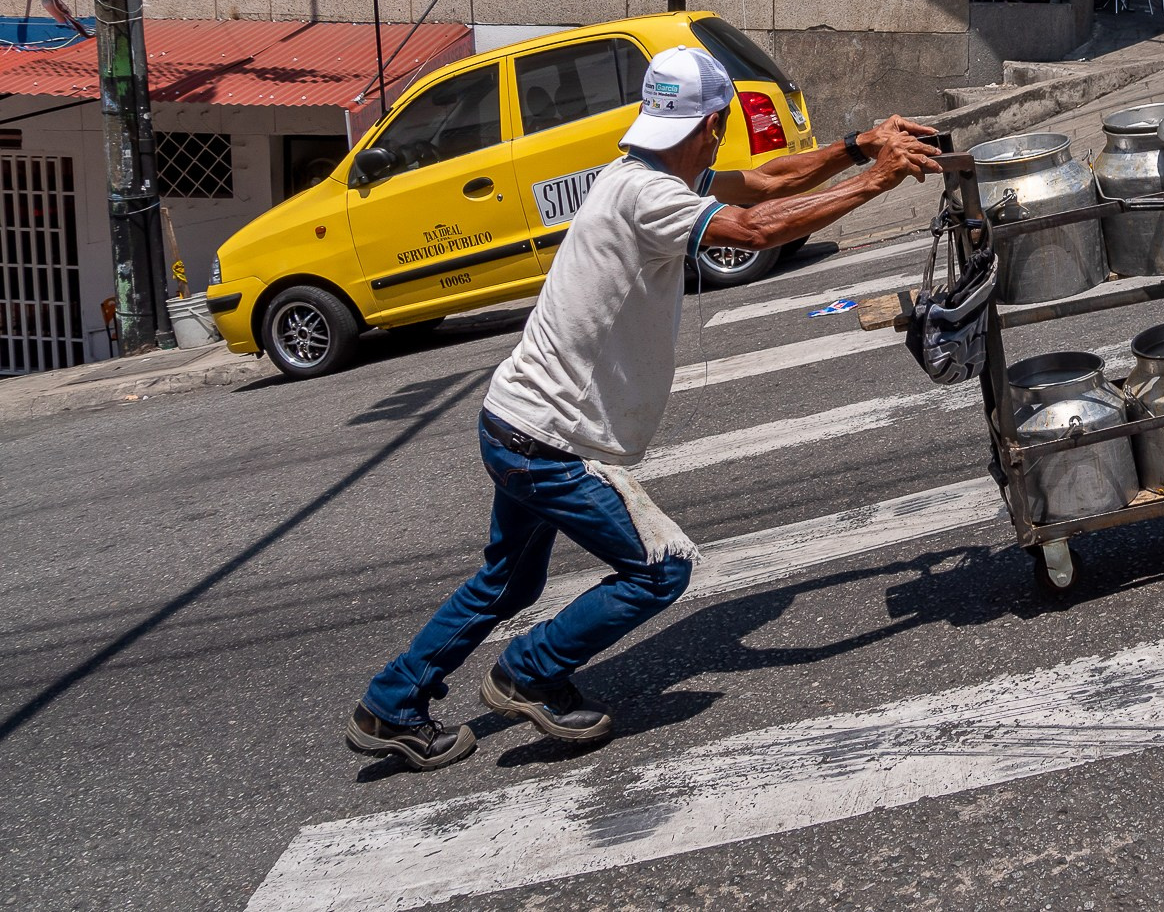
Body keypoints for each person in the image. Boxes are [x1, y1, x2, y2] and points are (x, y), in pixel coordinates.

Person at [344, 46, 941, 771]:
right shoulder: (652, 198)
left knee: (507, 580)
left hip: (514, 421)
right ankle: (528, 672)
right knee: (659, 570)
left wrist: (856, 146)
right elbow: (756, 228)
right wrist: (878, 178)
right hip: (549, 442)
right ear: (713, 125)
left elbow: (764, 181)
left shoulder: (640, 175)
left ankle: (390, 704)